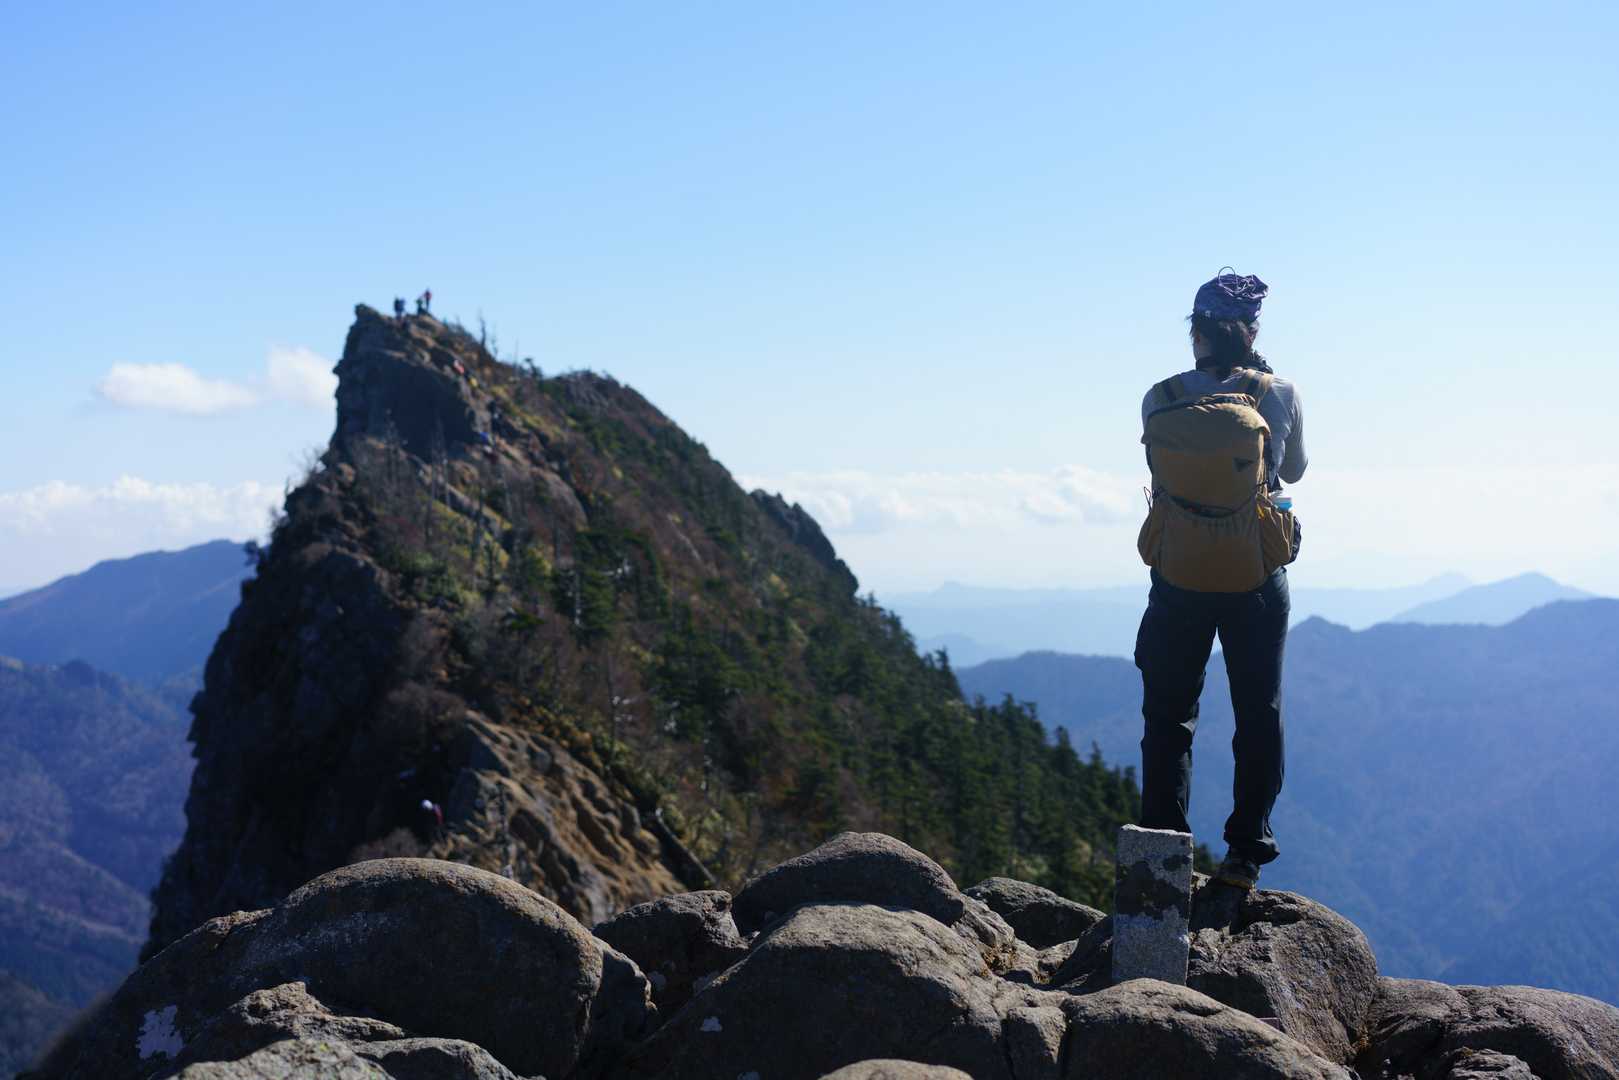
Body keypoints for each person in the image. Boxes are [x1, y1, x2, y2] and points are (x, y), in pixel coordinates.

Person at [1134, 270, 1307, 890]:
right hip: (1254, 574)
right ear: (1252, 332)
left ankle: (1161, 854)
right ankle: (1244, 854)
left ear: (1196, 333)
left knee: (1168, 716)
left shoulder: (1159, 397)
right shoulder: (1277, 392)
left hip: (1178, 573)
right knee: (1257, 711)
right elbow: (1294, 470)